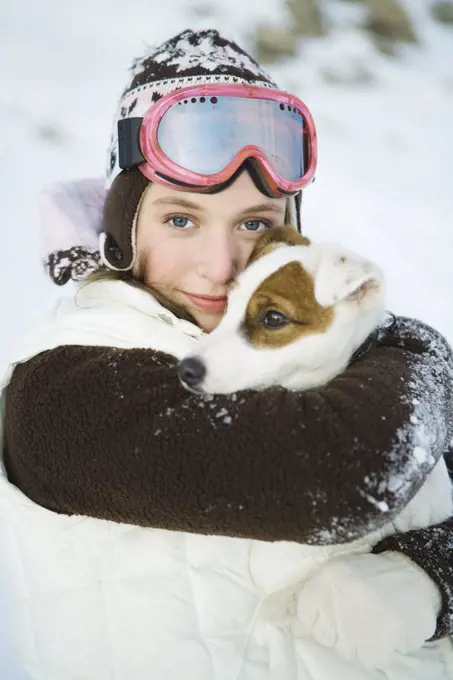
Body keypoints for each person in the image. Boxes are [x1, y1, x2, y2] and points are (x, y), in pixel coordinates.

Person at [1, 28, 453, 680]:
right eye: (180, 219)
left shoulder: (312, 344)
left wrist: (430, 577)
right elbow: (340, 474)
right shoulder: (64, 387)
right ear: (125, 226)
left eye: (253, 224)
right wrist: (415, 346)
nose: (220, 267)